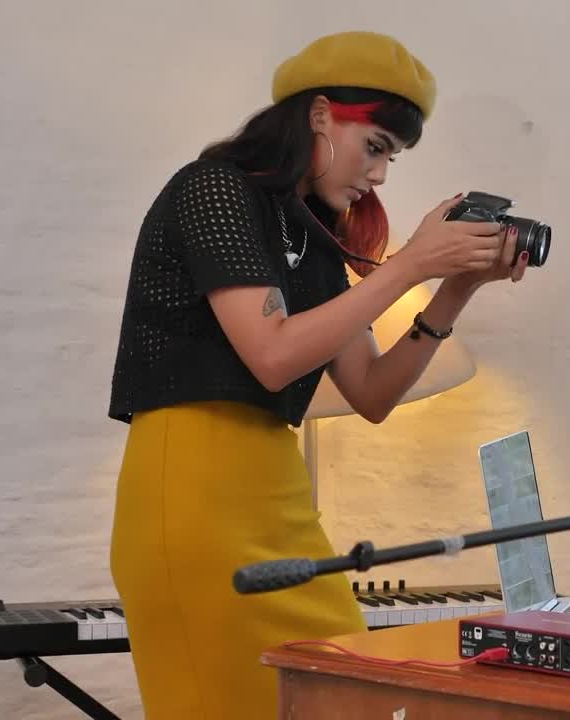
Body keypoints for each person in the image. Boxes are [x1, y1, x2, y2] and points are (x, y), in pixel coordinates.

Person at [107, 31, 527, 718]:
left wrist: (456, 289)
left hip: (280, 501)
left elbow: (372, 393)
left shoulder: (314, 239)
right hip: (190, 492)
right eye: (377, 146)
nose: (381, 173)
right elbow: (270, 354)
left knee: (345, 699)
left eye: (391, 155)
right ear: (321, 114)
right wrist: (411, 263)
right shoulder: (213, 191)